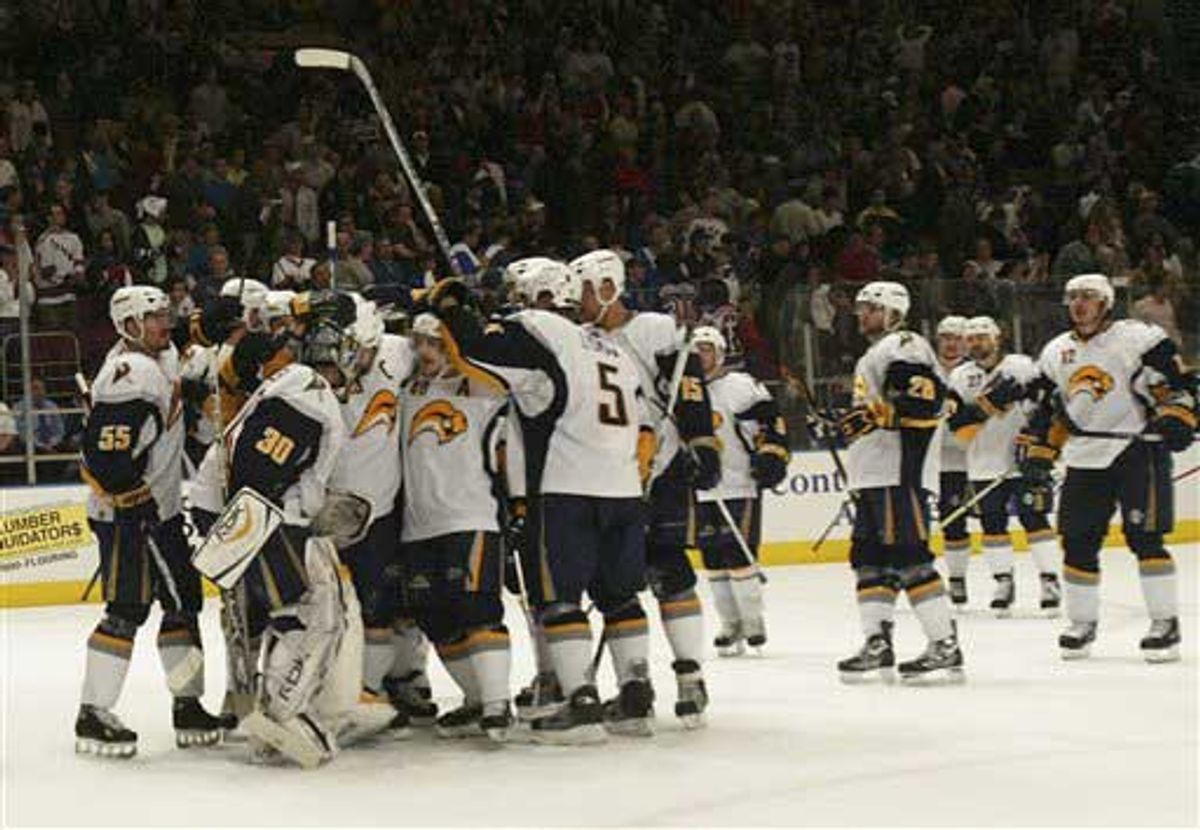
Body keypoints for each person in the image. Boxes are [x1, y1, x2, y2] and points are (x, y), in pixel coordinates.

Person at [424, 267, 653, 744]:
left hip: (567, 488)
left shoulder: (543, 331)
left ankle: (581, 706)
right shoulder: (614, 348)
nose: (510, 303)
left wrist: (449, 307)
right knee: (619, 597)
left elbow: (473, 356)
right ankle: (636, 697)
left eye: (515, 294)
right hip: (624, 489)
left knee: (561, 600)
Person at [188, 304, 355, 767]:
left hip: (243, 514)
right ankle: (281, 714)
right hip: (255, 516)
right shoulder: (307, 388)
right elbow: (258, 467)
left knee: (266, 617)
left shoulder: (283, 388)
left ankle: (261, 715)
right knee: (309, 613)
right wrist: (255, 524)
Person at [74, 286, 232, 758]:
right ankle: (92, 714)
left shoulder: (156, 359)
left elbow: (175, 408)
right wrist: (136, 504)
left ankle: (187, 704)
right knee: (127, 609)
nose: (167, 322)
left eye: (166, 313)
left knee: (182, 600)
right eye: (155, 316)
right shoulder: (130, 373)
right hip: (128, 514)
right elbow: (102, 456)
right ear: (128, 325)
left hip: (157, 512)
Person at [569, 249, 720, 729]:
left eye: (586, 290)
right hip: (611, 474)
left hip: (664, 468)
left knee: (669, 567)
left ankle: (690, 677)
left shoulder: (654, 329)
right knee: (613, 579)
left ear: (609, 287)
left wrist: (702, 441)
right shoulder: (580, 340)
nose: (578, 300)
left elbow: (689, 384)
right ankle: (635, 684)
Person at [1020, 273, 1195, 661]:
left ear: (1106, 303)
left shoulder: (1138, 338)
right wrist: (1040, 453)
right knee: (1078, 542)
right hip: (1084, 456)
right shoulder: (1054, 352)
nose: (1079, 304)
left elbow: (1176, 384)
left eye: (1088, 297)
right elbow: (1047, 410)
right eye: (1073, 297)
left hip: (1137, 451)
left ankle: (1165, 623)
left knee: (1144, 538)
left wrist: (1178, 416)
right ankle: (1082, 623)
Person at [834, 281, 965, 684]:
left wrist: (878, 415)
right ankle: (877, 641)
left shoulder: (902, 344)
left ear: (893, 312)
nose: (861, 314)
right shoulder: (875, 353)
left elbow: (926, 400)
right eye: (860, 307)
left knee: (910, 554)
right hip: (873, 472)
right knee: (867, 558)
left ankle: (944, 643)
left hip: (898, 471)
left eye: (870, 307)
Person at [398, 312, 510, 741]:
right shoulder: (408, 391)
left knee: (478, 609)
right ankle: (476, 697)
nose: (425, 351)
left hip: (470, 517)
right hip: (418, 526)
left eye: (435, 342)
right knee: (433, 614)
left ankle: (498, 704)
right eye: (419, 342)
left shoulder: (481, 389)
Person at [947, 316, 1061, 615]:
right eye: (970, 339)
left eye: (982, 337)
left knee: (1034, 518)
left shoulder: (1022, 366)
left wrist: (1038, 441)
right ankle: (1003, 582)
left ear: (997, 338)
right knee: (992, 524)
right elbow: (958, 429)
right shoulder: (959, 377)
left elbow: (1048, 406)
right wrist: (990, 403)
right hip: (983, 463)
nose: (975, 343)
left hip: (1024, 462)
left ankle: (1050, 581)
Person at [690, 326, 789, 656]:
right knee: (713, 558)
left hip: (739, 483)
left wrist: (771, 455)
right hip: (702, 489)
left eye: (706, 348)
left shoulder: (740, 386)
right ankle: (730, 624)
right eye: (695, 349)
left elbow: (770, 422)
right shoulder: (683, 390)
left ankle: (753, 619)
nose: (699, 355)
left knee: (738, 554)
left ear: (719, 353)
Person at [931, 315, 971, 606]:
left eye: (957, 338)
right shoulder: (927, 370)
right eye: (945, 337)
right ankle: (956, 579)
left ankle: (1006, 580)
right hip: (940, 462)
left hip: (977, 456)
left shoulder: (976, 373)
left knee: (997, 519)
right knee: (951, 521)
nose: (951, 343)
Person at [33, 203, 84, 329]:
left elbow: (79, 263)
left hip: (69, 295)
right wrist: (58, 277)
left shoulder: (74, 238)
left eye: (61, 213)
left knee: (72, 334)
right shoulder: (42, 240)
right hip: (48, 298)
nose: (58, 217)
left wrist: (77, 274)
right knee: (54, 337)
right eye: (55, 214)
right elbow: (45, 271)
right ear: (48, 218)